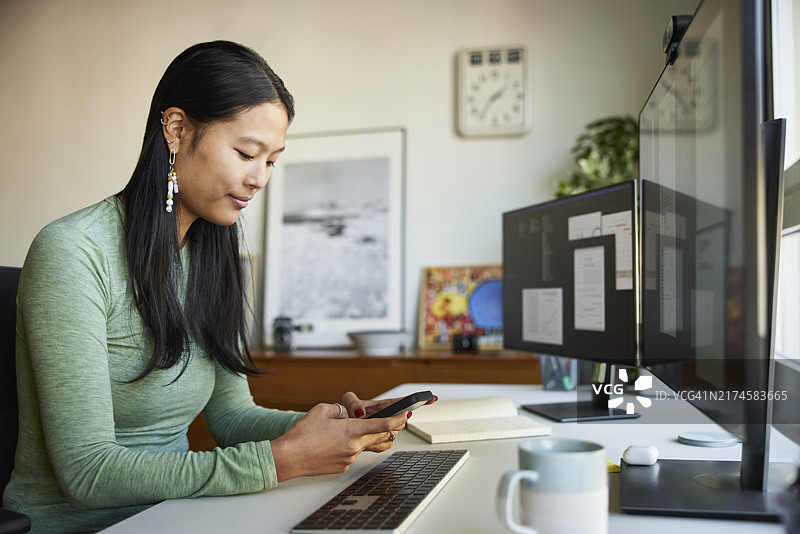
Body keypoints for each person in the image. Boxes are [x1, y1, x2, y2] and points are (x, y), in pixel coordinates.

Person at [1, 40, 427, 533]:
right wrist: (279, 461)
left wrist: (333, 427)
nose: (260, 178)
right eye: (247, 153)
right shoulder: (73, 251)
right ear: (177, 129)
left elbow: (231, 418)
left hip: (175, 517)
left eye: (271, 161)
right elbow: (88, 472)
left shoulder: (212, 253)